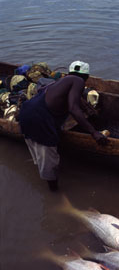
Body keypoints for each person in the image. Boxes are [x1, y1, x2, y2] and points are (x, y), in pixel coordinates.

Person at [19, 60, 108, 191]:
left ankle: (45, 171)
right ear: (87, 76)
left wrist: (88, 110)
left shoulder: (62, 81)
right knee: (49, 159)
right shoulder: (79, 81)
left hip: (26, 113)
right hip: (39, 119)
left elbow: (75, 99)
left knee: (41, 154)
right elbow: (73, 107)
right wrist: (94, 132)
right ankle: (53, 192)